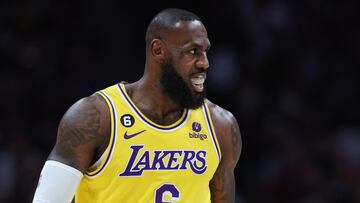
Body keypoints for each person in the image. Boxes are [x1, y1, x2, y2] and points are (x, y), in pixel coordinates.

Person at [33, 8, 242, 203]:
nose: (204, 62)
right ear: (158, 50)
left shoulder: (220, 126)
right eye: (193, 51)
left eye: (205, 51)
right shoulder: (95, 118)